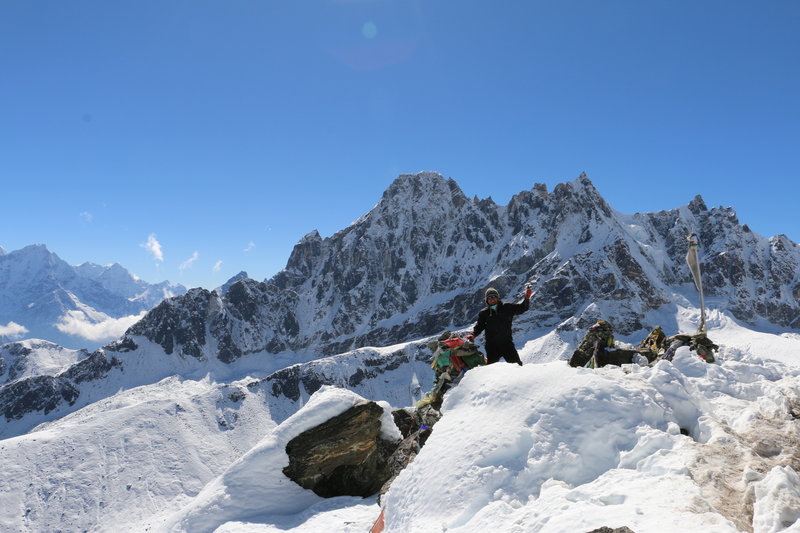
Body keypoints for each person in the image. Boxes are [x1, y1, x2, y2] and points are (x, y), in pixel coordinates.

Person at [468, 286, 531, 365]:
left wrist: (527, 298)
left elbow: (523, 308)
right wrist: (473, 334)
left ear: (498, 298)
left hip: (507, 344)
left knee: (517, 365)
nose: (492, 299)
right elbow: (480, 326)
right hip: (492, 346)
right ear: (486, 300)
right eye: (489, 297)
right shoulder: (484, 313)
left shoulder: (507, 307)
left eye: (494, 296)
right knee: (491, 370)